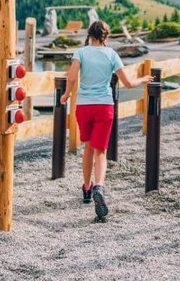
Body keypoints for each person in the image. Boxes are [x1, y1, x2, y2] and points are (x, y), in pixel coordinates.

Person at [61, 20, 153, 220]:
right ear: (106, 36)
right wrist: (143, 80)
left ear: (90, 35)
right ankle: (99, 187)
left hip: (84, 106)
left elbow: (72, 77)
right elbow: (128, 83)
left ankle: (87, 188)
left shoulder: (81, 52)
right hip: (104, 106)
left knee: (87, 147)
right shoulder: (112, 54)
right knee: (100, 151)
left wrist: (67, 94)